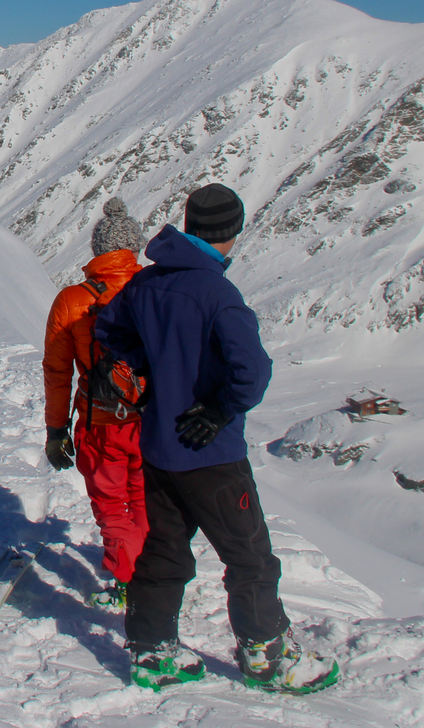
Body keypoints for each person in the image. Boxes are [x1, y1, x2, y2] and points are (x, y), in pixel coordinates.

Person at [94, 184, 339, 693]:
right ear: (233, 231)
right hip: (211, 454)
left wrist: (149, 373)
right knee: (250, 557)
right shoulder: (219, 294)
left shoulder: (147, 283)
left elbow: (110, 330)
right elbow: (253, 372)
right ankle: (267, 655)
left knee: (164, 551)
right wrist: (219, 408)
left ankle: (152, 650)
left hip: (158, 447)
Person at [42, 197, 147, 606]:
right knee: (145, 500)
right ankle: (152, 577)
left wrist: (56, 430)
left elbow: (57, 372)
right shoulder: (157, 290)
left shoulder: (72, 300)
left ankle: (128, 583)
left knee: (112, 505)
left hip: (100, 422)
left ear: (97, 250)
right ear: (134, 247)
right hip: (152, 420)